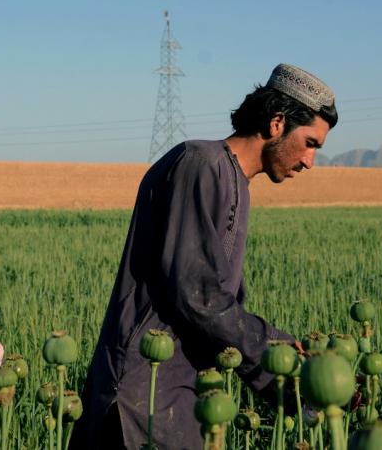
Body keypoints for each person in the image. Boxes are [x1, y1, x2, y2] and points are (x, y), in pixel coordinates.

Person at [70, 63, 338, 449]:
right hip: (142, 397)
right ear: (277, 123)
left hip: (178, 394)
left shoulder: (234, 180)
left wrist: (292, 359)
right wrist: (282, 372)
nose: (309, 161)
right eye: (310, 143)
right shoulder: (200, 164)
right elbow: (199, 296)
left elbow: (219, 303)